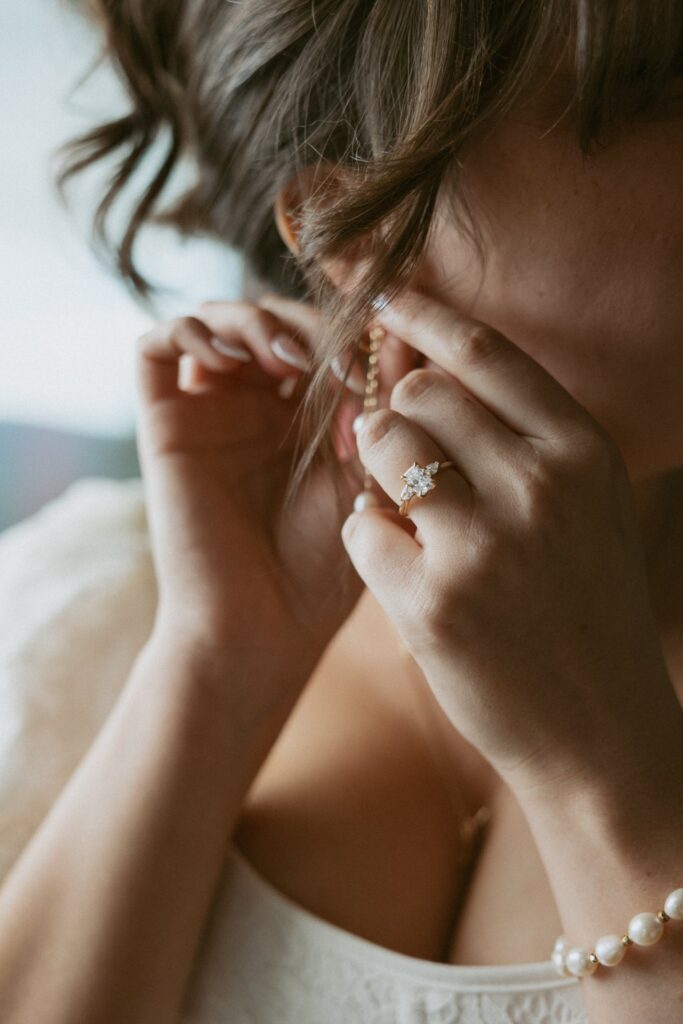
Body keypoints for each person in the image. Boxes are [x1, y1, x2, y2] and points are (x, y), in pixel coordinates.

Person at [0, 1, 681, 1021]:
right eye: (656, 92)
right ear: (359, 234)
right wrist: (219, 655)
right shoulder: (96, 610)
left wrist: (605, 787)